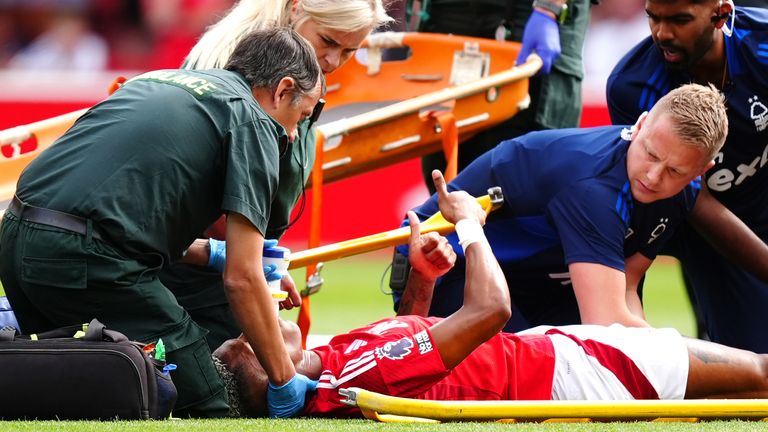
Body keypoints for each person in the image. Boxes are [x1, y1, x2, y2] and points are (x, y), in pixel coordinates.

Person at [212, 170, 768, 418]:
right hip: (574, 373)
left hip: (558, 358)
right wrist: (469, 224)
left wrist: (424, 282)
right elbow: (491, 310)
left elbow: (415, 352)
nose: (252, 326)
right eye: (247, 343)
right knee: (760, 377)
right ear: (267, 374)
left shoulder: (335, 366)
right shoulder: (346, 379)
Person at [0, 27, 324, 418]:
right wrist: (283, 379)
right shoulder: (253, 121)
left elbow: (115, 213)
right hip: (85, 258)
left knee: (83, 393)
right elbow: (242, 279)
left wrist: (213, 253)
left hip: (16, 237)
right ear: (282, 90)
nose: (291, 134)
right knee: (206, 403)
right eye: (299, 116)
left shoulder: (159, 79)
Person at [392, 83, 741, 332]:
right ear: (639, 126)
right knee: (534, 386)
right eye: (650, 153)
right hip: (446, 265)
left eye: (675, 171)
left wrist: (649, 361)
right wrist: (686, 360)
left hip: (540, 280)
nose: (653, 176)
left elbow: (626, 289)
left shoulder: (684, 192)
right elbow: (606, 319)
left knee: (598, 374)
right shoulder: (593, 188)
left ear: (701, 172)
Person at [160, 0, 394, 353]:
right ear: (297, 9)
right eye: (328, 41)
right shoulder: (247, 79)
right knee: (238, 386)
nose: (332, 61)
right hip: (203, 274)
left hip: (221, 263)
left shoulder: (270, 65)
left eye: (349, 51)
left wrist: (257, 259)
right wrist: (247, 263)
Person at [606, 0, 768, 352]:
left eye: (679, 20)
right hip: (694, 218)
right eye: (653, 18)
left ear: (721, 14)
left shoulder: (763, 42)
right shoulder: (632, 84)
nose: (662, 34)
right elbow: (687, 196)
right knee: (753, 359)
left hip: (761, 190)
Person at [414, 0, 594, 195]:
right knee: (446, 187)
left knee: (526, 186)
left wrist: (549, 8)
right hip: (450, 21)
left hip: (528, 21)